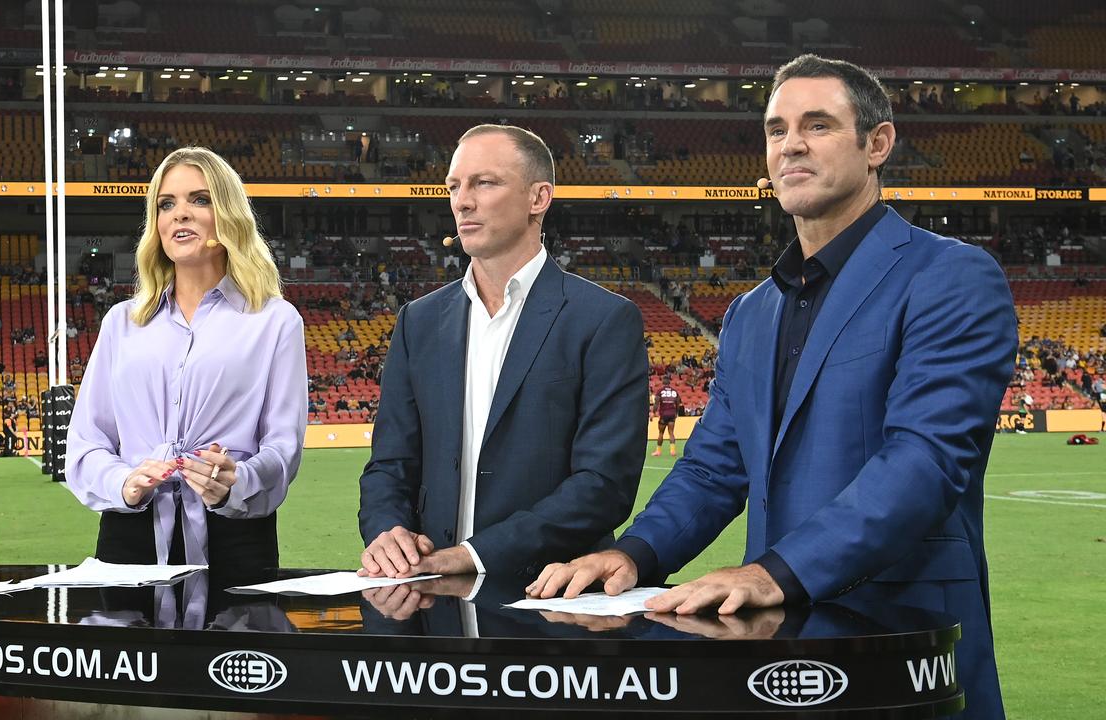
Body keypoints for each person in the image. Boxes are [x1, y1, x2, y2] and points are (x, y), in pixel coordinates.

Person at [528, 55, 1015, 719]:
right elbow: (713, 468)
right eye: (777, 128)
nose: (792, 144)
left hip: (904, 642)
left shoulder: (950, 277)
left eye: (818, 125)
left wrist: (773, 573)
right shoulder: (752, 311)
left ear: (878, 144)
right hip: (780, 653)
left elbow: (925, 460)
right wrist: (634, 554)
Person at [358, 124, 649, 581]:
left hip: (550, 597)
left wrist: (475, 555)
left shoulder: (604, 320)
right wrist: (387, 530)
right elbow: (389, 462)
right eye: (454, 186)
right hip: (431, 594)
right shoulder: (419, 321)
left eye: (484, 183)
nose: (462, 200)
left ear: (539, 198)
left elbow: (603, 485)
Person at [65, 146, 307, 577]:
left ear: (228, 214)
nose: (180, 214)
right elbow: (86, 442)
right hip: (129, 532)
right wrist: (125, 482)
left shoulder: (275, 321)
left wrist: (238, 480)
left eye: (200, 200)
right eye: (166, 204)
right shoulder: (122, 322)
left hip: (235, 535)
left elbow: (283, 447)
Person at [651, 376, 680, 457]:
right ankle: (673, 451)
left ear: (662, 382)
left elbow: (657, 403)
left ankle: (658, 451)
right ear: (669, 382)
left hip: (664, 414)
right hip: (672, 414)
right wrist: (676, 413)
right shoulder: (674, 391)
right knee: (671, 433)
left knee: (661, 433)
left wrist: (653, 412)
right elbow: (678, 403)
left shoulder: (660, 391)